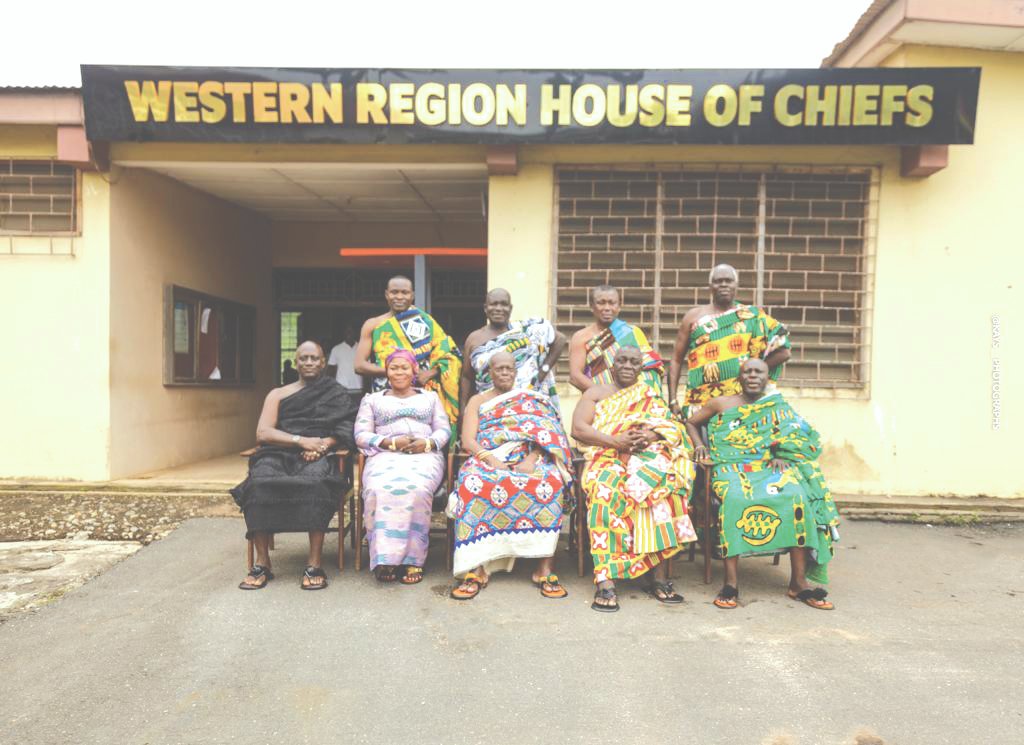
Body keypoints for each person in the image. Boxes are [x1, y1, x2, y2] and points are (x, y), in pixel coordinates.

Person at [685, 358, 840, 611]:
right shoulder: (720, 403)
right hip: (727, 467)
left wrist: (781, 454)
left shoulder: (776, 407)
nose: (753, 376)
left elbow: (794, 435)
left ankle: (798, 583)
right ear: (739, 377)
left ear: (768, 378)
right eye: (748, 372)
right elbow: (691, 422)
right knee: (735, 498)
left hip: (766, 467)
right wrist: (700, 446)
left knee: (795, 495)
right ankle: (731, 584)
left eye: (759, 372)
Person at [572, 346, 697, 612]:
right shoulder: (594, 393)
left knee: (667, 492)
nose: (628, 365)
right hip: (607, 458)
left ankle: (658, 576)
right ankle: (606, 580)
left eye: (634, 362)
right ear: (611, 365)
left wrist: (652, 436)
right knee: (605, 493)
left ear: (641, 368)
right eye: (622, 360)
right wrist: (616, 441)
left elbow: (672, 427)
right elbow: (578, 429)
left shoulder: (649, 395)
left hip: (645, 458)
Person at [233, 341, 357, 591]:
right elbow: (263, 432)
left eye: (314, 358)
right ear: (296, 362)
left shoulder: (337, 393)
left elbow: (346, 428)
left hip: (321, 454)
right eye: (304, 358)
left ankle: (314, 564)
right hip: (279, 452)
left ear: (323, 362)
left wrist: (322, 446)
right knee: (258, 484)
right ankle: (262, 563)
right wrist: (301, 442)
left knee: (315, 484)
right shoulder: (278, 394)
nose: (309, 363)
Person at [449, 352, 574, 601]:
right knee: (474, 484)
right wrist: (492, 459)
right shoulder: (477, 400)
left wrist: (531, 459)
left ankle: (544, 568)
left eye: (508, 369)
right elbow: (468, 440)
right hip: (488, 455)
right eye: (499, 369)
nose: (504, 373)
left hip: (530, 457)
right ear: (490, 373)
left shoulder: (530, 399)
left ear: (515, 372)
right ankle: (477, 567)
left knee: (549, 483)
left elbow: (547, 436)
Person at [354, 349, 451, 584]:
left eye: (404, 367)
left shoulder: (430, 398)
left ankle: (412, 560)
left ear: (414, 370)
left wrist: (428, 443)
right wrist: (389, 442)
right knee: (377, 488)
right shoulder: (372, 399)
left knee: (416, 489)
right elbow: (360, 434)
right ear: (386, 372)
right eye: (393, 367)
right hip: (384, 456)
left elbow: (444, 429)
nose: (399, 372)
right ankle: (385, 559)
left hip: (424, 456)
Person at [669, 264, 791, 419]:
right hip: (699, 402)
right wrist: (672, 400)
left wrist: (750, 372)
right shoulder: (693, 317)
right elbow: (676, 360)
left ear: (736, 285)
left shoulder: (752, 316)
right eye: (718, 281)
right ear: (710, 286)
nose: (723, 285)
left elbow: (784, 352)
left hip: (739, 402)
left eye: (728, 281)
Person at [354, 275, 462, 429]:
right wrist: (397, 373)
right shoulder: (372, 325)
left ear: (412, 295)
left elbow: (451, 354)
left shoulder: (426, 321)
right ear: (386, 294)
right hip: (386, 396)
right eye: (394, 292)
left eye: (404, 292)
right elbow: (359, 366)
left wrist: (430, 373)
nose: (399, 297)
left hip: (422, 394)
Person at [460, 288, 567, 412]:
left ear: (510, 308)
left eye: (504, 304)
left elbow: (560, 339)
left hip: (529, 405)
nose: (499, 308)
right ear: (485, 308)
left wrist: (543, 371)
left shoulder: (527, 330)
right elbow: (467, 377)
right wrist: (464, 409)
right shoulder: (474, 339)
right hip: (490, 407)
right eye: (494, 304)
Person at [568, 285, 664, 395]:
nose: (607, 308)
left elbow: (649, 367)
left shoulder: (633, 332)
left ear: (619, 306)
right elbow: (575, 377)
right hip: (600, 404)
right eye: (601, 303)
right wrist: (608, 395)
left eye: (612, 303)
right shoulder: (581, 338)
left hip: (635, 401)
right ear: (592, 306)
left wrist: (633, 396)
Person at [326, 322, 363, 392]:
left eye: (351, 331)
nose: (349, 333)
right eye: (347, 331)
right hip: (341, 389)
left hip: (358, 388)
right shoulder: (336, 349)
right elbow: (330, 371)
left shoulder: (362, 349)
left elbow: (366, 372)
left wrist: (366, 388)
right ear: (343, 333)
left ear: (355, 333)